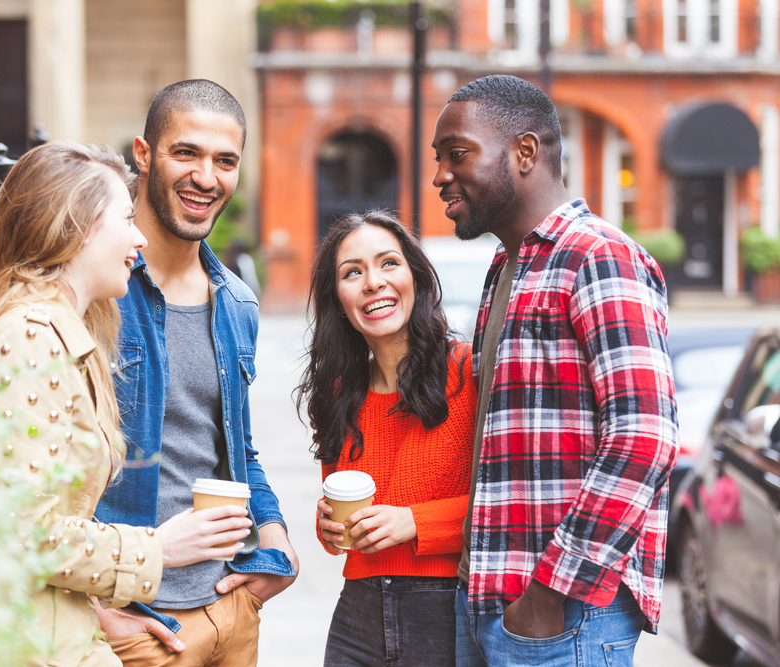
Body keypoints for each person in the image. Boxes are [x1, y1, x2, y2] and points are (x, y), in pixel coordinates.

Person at [0, 142, 253, 667]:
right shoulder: (30, 341)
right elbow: (23, 529)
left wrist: (97, 606)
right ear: (76, 228)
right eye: (125, 217)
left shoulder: (65, 336)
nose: (139, 236)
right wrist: (159, 549)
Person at [431, 74, 678, 666]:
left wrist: (549, 593)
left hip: (565, 619)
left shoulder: (600, 257)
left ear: (524, 153)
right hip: (493, 601)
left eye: (457, 154)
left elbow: (645, 439)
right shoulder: (505, 268)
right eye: (439, 159)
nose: (440, 175)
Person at [91, 80, 299, 666]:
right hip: (133, 621)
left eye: (224, 161)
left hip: (228, 609)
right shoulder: (95, 289)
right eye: (186, 153)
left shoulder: (236, 301)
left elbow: (236, 448)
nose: (206, 178)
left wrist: (275, 534)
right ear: (143, 153)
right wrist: (96, 606)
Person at [296, 210, 477, 667]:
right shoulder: (338, 392)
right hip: (357, 613)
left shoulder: (469, 372)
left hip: (446, 609)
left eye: (388, 263)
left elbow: (507, 506)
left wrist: (414, 522)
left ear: (415, 278)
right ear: (339, 300)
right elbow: (339, 511)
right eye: (353, 272)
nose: (373, 282)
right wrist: (329, 528)